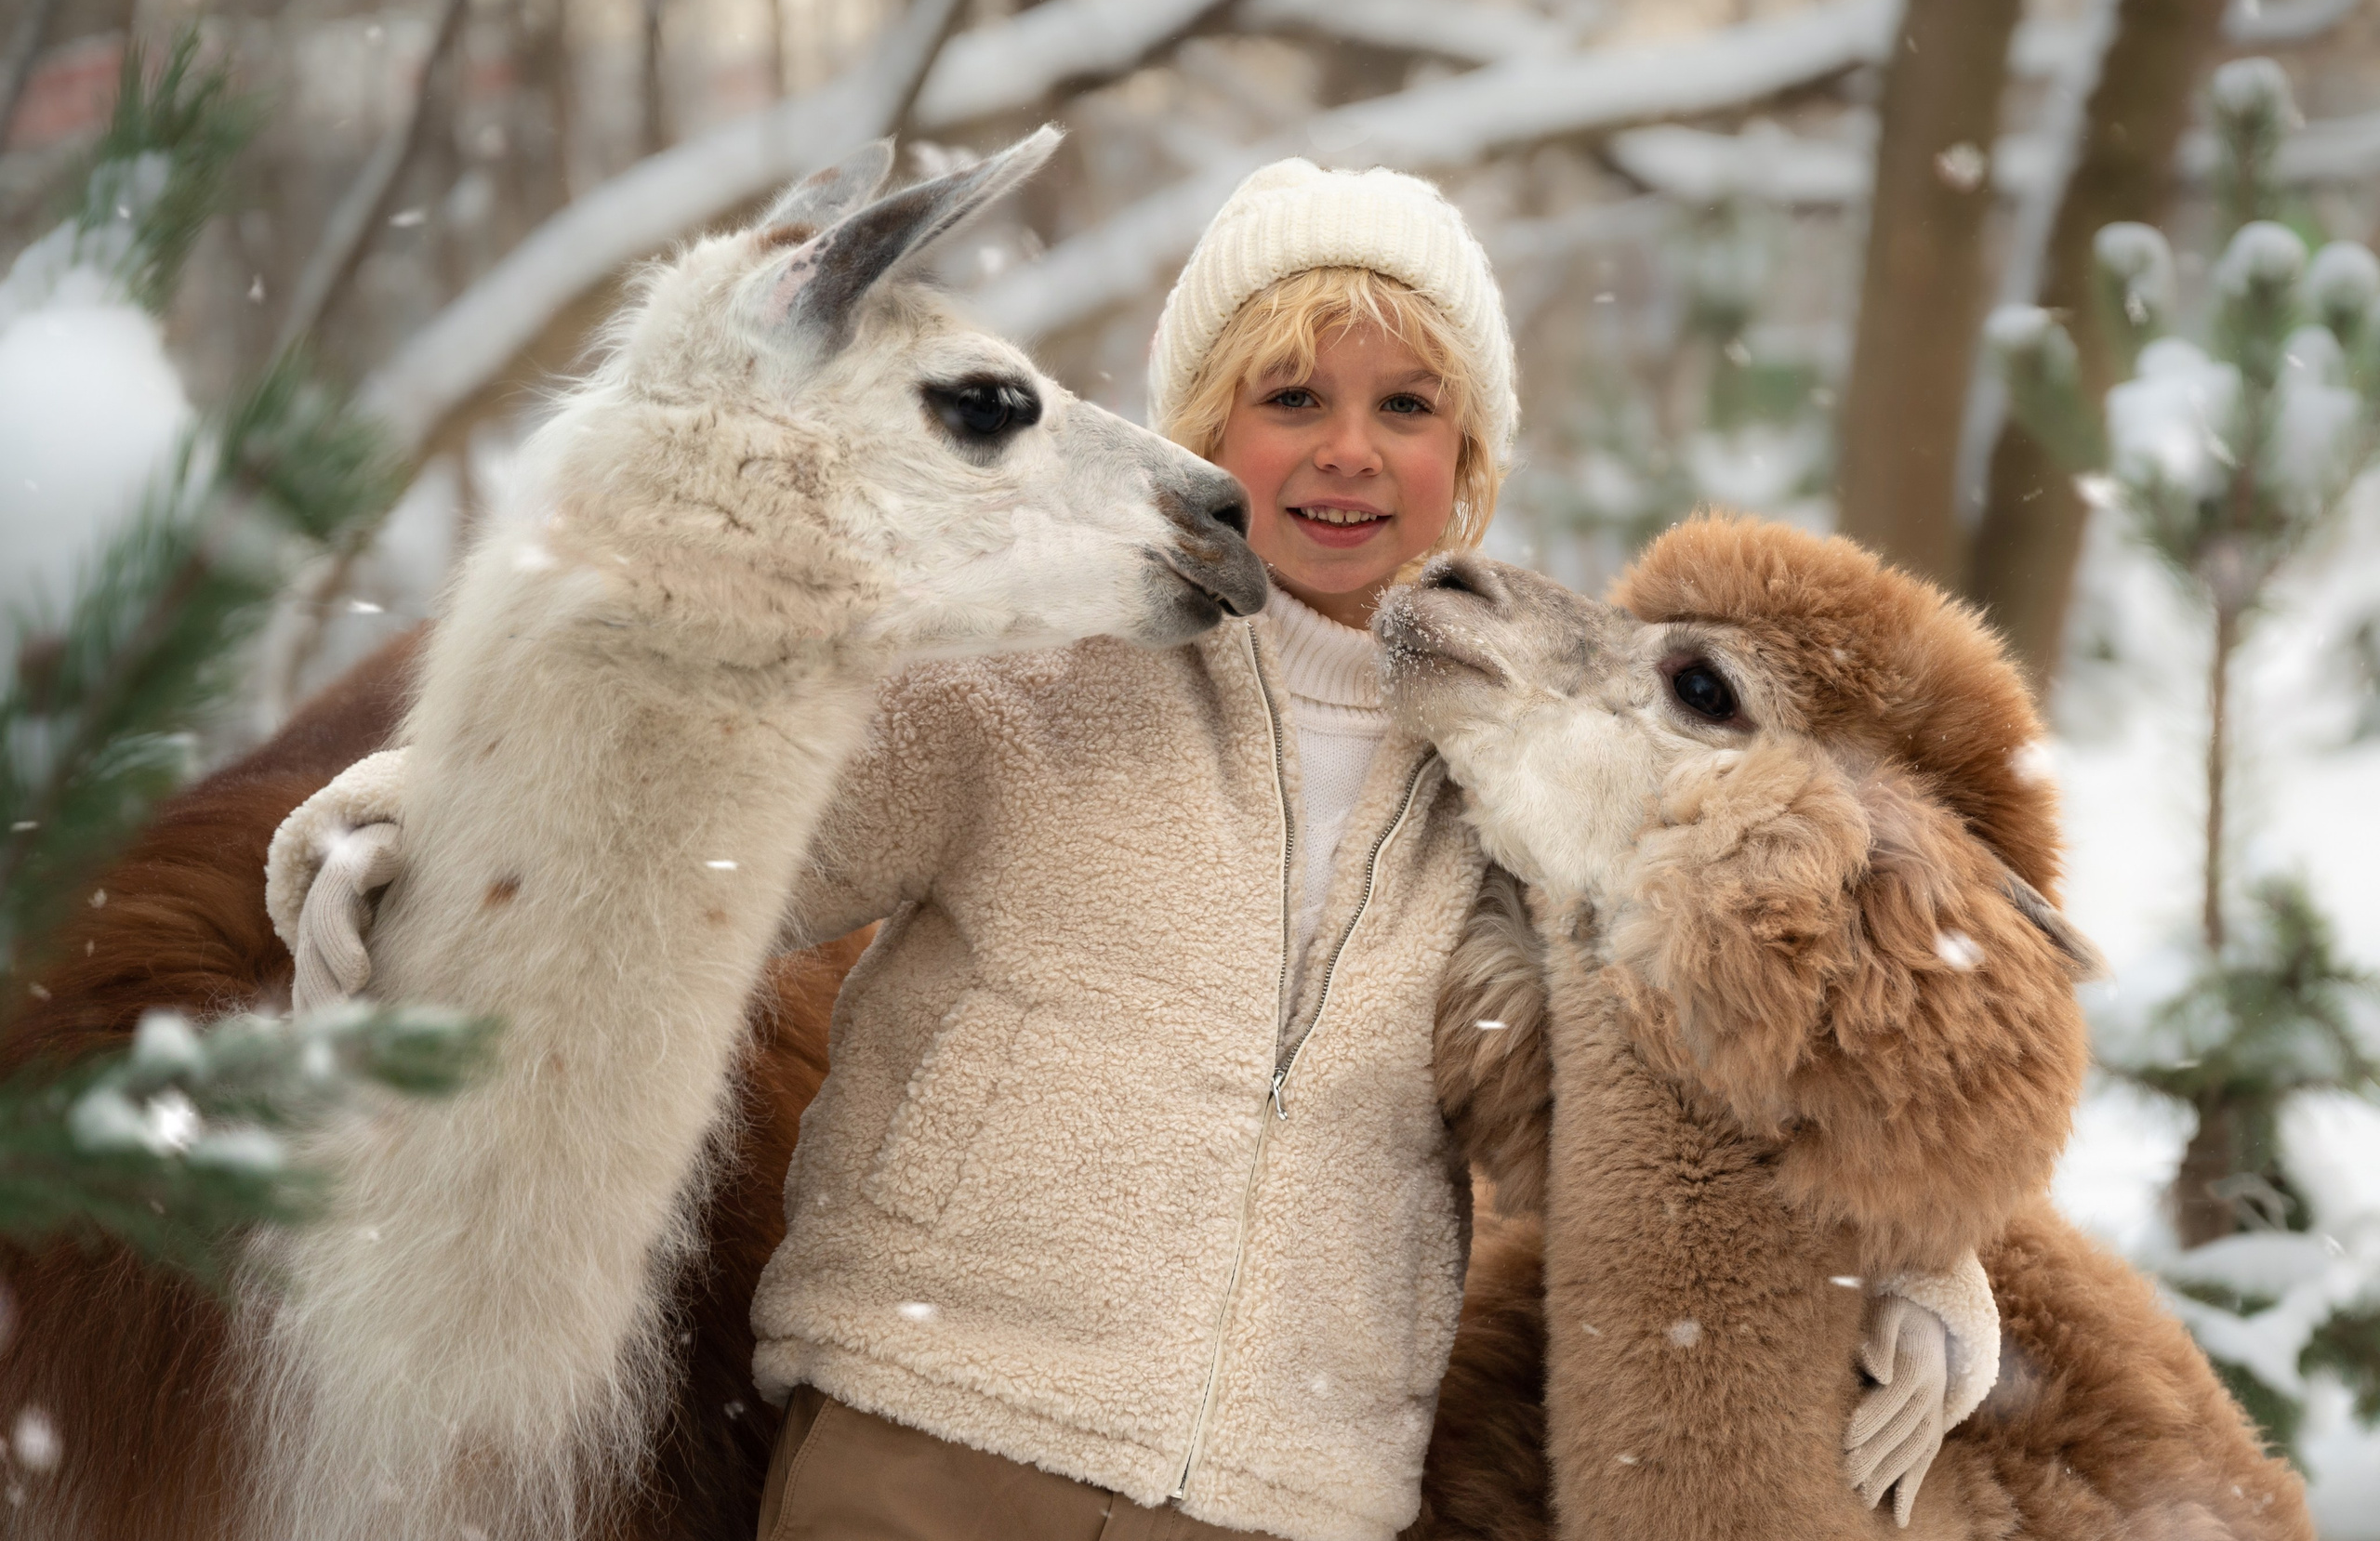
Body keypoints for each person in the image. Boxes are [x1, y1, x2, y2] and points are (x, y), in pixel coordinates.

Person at [268, 158, 1994, 1541]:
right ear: (1202, 428)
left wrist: (1919, 1251)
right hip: (933, 1447)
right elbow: (695, 826)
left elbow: (1660, 1091)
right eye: (1291, 394)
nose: (1343, 448)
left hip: (1284, 1493)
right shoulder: (1018, 691)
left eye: (1408, 407)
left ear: (1467, 465)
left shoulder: (1510, 787)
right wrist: (422, 812)